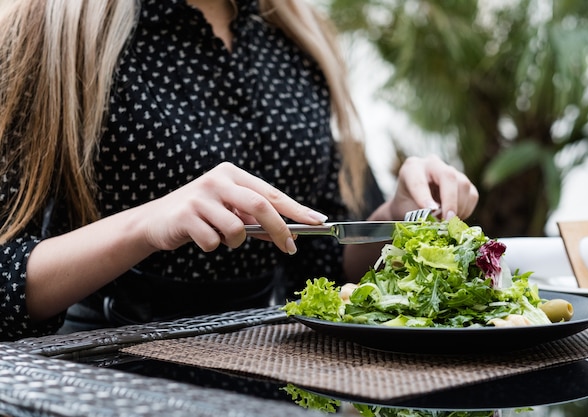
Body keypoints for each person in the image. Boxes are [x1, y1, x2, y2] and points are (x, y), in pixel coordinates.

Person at [0, 0, 478, 341]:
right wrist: (147, 224)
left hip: (272, 360)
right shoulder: (47, 29)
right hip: (106, 369)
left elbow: (320, 264)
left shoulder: (297, 34)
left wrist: (397, 220)